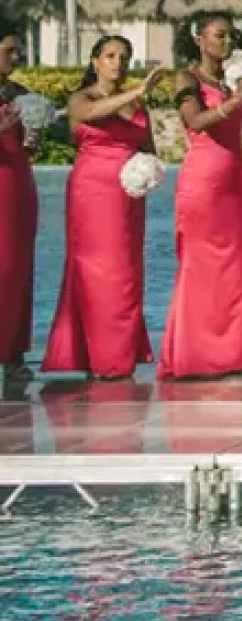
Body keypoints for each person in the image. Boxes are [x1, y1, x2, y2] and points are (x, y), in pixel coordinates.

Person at [43, 36, 160, 379]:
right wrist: (137, 92)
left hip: (128, 194)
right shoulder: (82, 98)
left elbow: (150, 148)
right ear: (95, 62)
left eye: (124, 57)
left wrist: (148, 172)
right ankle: (96, 355)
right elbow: (90, 114)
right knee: (96, 269)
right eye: (110, 56)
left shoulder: (139, 108)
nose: (117, 63)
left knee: (125, 270)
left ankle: (119, 355)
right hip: (92, 193)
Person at [160, 13, 242, 379]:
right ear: (199, 39)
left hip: (235, 180)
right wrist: (230, 104)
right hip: (203, 182)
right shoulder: (186, 78)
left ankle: (233, 353)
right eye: (219, 36)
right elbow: (195, 121)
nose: (227, 43)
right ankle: (195, 355)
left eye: (232, 37)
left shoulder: (235, 77)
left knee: (235, 268)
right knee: (199, 266)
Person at [0, 30, 36, 385]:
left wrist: (31, 139)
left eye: (18, 51)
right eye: (10, 51)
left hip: (19, 186)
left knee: (19, 270)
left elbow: (24, 148)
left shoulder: (20, 94)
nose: (17, 57)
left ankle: (14, 353)